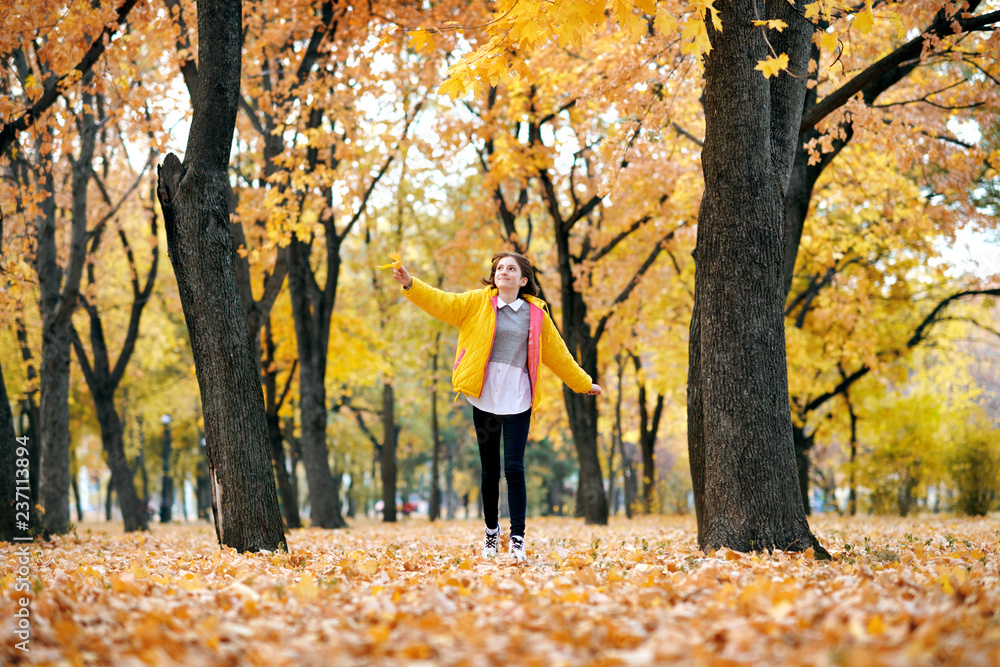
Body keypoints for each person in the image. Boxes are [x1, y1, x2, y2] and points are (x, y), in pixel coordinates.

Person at [393, 252, 602, 562]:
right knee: (490, 471)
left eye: (511, 269)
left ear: (523, 279)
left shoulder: (536, 314)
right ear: (494, 275)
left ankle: (517, 539)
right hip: (485, 396)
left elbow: (558, 354)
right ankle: (491, 533)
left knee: (514, 469)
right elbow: (441, 302)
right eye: (500, 268)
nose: (504, 272)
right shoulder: (476, 303)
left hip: (518, 398)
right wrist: (411, 284)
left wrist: (584, 383)